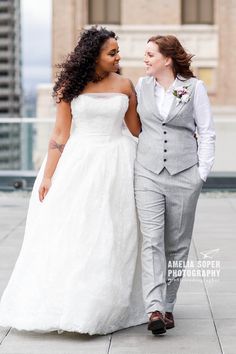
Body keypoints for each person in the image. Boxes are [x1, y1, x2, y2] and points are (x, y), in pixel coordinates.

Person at [0, 26, 147, 335]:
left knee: (114, 233)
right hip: (80, 163)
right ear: (94, 55)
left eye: (117, 52)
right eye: (112, 53)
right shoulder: (70, 86)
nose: (118, 57)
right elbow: (59, 134)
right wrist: (50, 175)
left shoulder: (125, 85)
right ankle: (73, 302)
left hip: (119, 162)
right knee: (79, 231)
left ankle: (105, 305)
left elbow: (136, 130)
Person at [134, 35, 215, 335]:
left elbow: (207, 133)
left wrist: (200, 174)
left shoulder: (195, 88)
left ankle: (168, 305)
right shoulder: (141, 87)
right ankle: (154, 308)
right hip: (147, 173)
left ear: (167, 59)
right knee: (152, 240)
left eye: (150, 54)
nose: (145, 59)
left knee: (178, 245)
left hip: (185, 174)